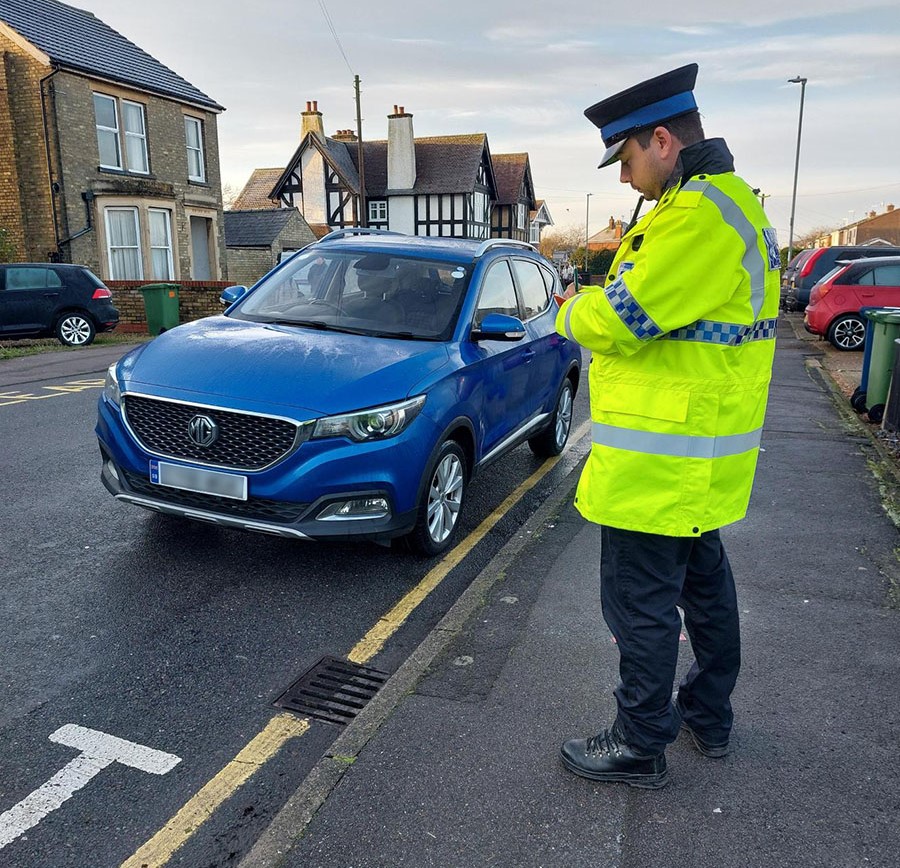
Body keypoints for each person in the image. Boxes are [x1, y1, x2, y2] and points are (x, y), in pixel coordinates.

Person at [555, 63, 780, 789]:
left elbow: (623, 317)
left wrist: (563, 310)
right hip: (699, 453)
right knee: (706, 594)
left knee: (640, 604)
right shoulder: (723, 203)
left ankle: (639, 741)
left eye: (624, 159)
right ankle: (708, 718)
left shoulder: (698, 215)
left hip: (660, 465)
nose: (623, 179)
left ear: (661, 140)